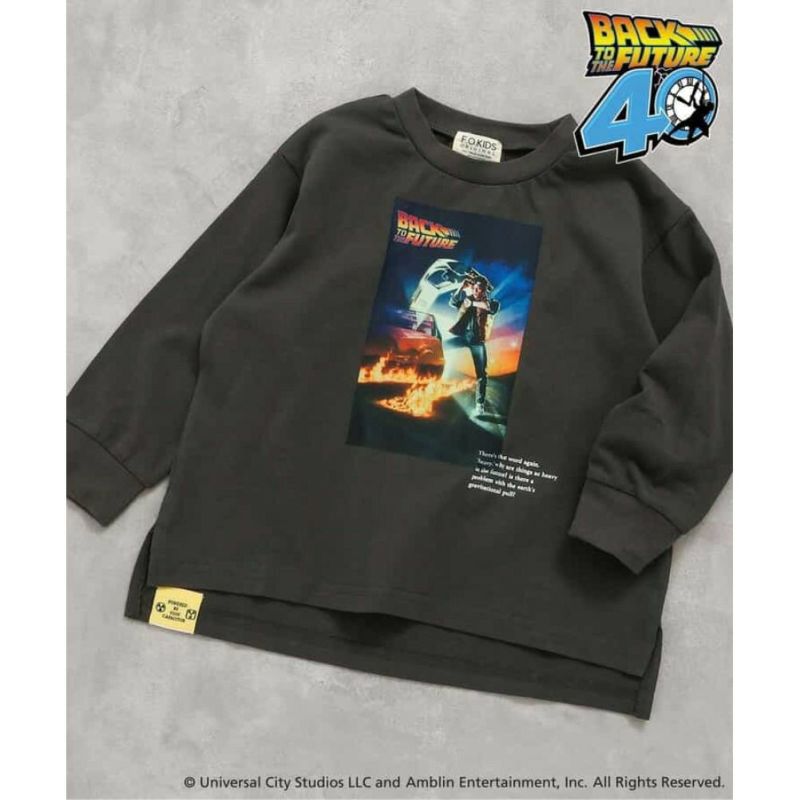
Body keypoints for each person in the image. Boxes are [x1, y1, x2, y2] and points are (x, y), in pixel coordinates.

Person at [448, 274, 499, 415]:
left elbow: (488, 307)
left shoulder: (493, 302)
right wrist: (461, 287)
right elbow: (452, 302)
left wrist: (471, 302)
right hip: (463, 337)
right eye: (475, 288)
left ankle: (480, 404)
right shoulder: (468, 300)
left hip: (477, 341)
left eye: (479, 289)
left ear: (485, 290)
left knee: (482, 374)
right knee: (441, 347)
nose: (476, 291)